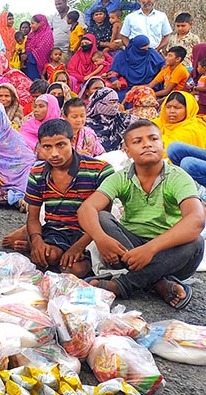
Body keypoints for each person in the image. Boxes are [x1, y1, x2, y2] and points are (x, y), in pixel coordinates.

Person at [79, 119, 204, 309]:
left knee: (196, 242)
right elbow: (86, 209)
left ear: (162, 145)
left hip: (170, 253)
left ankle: (123, 285)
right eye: (137, 141)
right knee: (103, 217)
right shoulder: (121, 177)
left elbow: (196, 220)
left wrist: (150, 249)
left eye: (153, 138)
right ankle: (160, 283)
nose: (147, 144)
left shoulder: (178, 177)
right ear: (127, 151)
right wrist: (101, 239)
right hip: (130, 251)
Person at [19, 119, 114, 276]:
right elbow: (33, 217)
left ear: (73, 141)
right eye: (47, 147)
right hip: (57, 230)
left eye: (60, 145)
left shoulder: (100, 170)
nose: (54, 153)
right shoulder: (37, 172)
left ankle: (84, 261)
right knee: (47, 256)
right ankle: (35, 242)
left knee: (72, 269)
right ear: (40, 146)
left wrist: (78, 247)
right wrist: (36, 242)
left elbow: (103, 217)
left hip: (91, 232)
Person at [86, 87, 139, 152]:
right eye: (111, 102)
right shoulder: (85, 124)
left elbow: (145, 125)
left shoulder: (123, 118)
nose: (115, 106)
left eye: (116, 102)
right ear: (99, 104)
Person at [23, 14, 55, 80]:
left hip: (36, 66)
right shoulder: (32, 34)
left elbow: (41, 49)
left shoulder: (47, 35)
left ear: (40, 23)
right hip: (27, 64)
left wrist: (28, 55)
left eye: (32, 23)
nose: (30, 26)